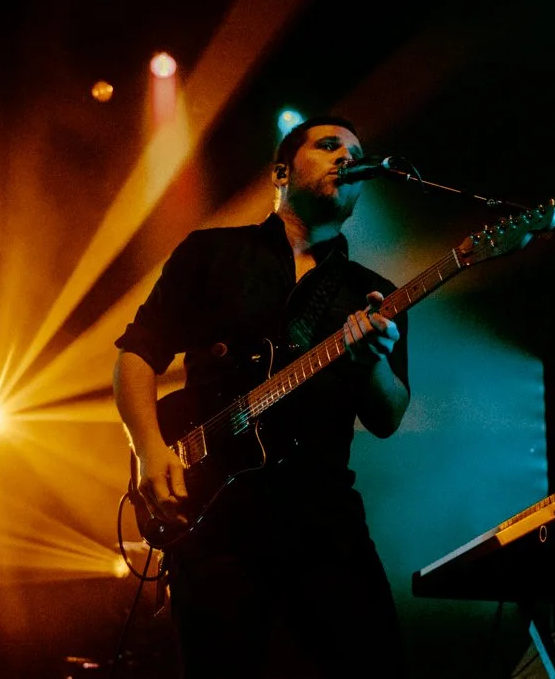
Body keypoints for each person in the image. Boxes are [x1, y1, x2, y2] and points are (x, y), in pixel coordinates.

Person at [112, 116, 411, 679]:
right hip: (216, 521)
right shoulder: (211, 253)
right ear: (280, 173)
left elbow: (388, 416)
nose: (347, 159)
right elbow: (136, 355)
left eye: (355, 154)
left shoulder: (373, 294)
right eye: (329, 147)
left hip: (325, 520)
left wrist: (372, 361)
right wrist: (150, 450)